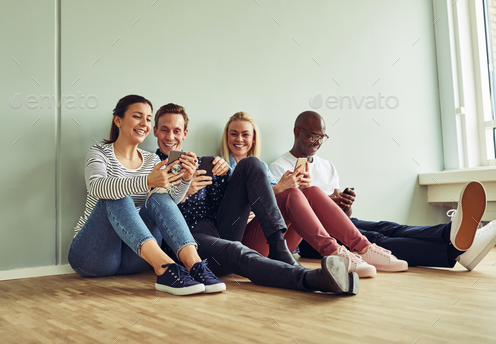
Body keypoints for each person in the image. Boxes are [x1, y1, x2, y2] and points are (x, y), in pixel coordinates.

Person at [153, 103, 359, 295]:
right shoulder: (149, 168)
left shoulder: (198, 163)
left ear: (185, 133)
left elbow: (220, 205)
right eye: (164, 129)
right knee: (236, 250)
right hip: (187, 243)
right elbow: (151, 214)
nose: (170, 136)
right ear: (156, 131)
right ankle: (311, 279)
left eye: (176, 130)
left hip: (219, 229)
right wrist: (184, 192)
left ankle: (278, 246)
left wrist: (225, 177)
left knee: (252, 163)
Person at [269, 110, 494, 271]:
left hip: (341, 224)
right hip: (310, 238)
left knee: (389, 228)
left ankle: (451, 233)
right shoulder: (278, 168)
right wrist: (326, 200)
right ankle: (457, 249)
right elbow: (283, 216)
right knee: (377, 238)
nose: (317, 142)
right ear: (297, 131)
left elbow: (343, 217)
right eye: (312, 135)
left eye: (322, 137)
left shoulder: (327, 166)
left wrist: (344, 204)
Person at [68, 95, 225, 296]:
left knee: (159, 196)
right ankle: (166, 268)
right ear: (118, 120)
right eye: (137, 117)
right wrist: (148, 181)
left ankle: (195, 265)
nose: (144, 124)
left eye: (148, 119)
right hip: (93, 257)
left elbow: (169, 203)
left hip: (136, 257)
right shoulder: (99, 152)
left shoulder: (151, 159)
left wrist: (186, 178)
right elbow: (96, 187)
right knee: (118, 195)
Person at [221, 112, 408, 278]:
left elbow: (276, 207)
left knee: (310, 191)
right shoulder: (220, 166)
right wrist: (279, 189)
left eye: (245, 134)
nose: (239, 139)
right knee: (291, 193)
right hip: (246, 242)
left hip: (279, 242)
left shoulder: (262, 168)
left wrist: (298, 188)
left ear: (253, 139)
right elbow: (231, 211)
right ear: (226, 137)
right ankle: (334, 252)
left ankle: (363, 248)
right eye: (234, 133)